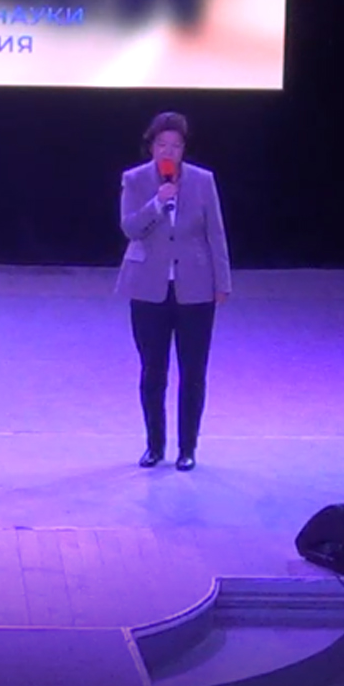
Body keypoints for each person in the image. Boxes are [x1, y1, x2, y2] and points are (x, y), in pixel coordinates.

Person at [117, 112, 232, 471]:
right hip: (148, 288)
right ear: (151, 146)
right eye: (162, 145)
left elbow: (215, 233)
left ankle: (188, 448)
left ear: (184, 149)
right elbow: (130, 227)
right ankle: (154, 446)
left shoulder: (202, 181)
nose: (168, 151)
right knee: (153, 370)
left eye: (176, 146)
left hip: (195, 288)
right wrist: (157, 202)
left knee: (193, 371)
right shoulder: (135, 180)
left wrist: (222, 282)